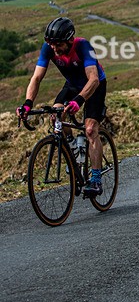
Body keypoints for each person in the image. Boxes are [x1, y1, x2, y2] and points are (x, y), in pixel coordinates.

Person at [16, 16, 107, 196]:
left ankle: (96, 179)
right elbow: (36, 78)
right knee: (56, 115)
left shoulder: (83, 47)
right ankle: (73, 148)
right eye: (51, 44)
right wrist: (27, 104)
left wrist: (79, 101)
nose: (54, 49)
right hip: (72, 85)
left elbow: (94, 79)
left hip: (94, 86)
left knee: (90, 130)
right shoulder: (49, 49)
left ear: (69, 40)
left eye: (58, 45)